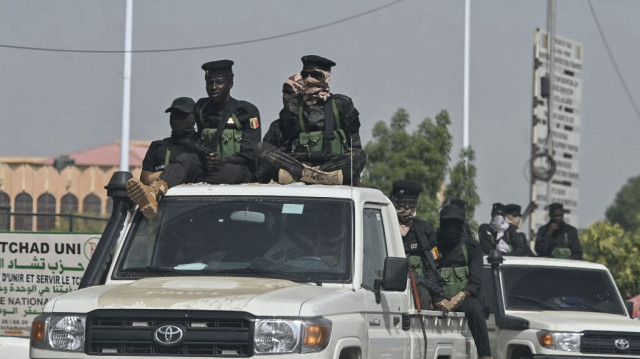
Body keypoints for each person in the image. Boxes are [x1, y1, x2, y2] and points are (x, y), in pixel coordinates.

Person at [255, 55, 367, 185]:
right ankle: (316, 177)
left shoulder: (342, 104)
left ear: (326, 77)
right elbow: (284, 145)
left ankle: (307, 176)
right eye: (305, 75)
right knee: (261, 149)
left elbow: (355, 145)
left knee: (359, 156)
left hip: (331, 164)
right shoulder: (293, 106)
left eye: (315, 75)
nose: (309, 79)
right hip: (298, 165)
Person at [436, 204, 492, 359]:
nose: (451, 229)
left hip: (462, 298)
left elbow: (475, 283)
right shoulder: (433, 244)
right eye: (447, 225)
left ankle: (485, 355)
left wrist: (458, 298)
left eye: (455, 225)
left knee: (475, 309)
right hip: (437, 297)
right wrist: (437, 298)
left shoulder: (471, 247)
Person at [194, 59, 261, 179]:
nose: (214, 87)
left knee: (229, 172)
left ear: (230, 83)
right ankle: (155, 189)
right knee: (185, 160)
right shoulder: (201, 109)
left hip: (238, 168)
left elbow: (250, 154)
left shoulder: (246, 111)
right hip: (209, 166)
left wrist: (223, 160)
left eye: (219, 82)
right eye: (210, 83)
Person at [390, 180, 450, 311]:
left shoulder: (424, 230)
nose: (406, 208)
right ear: (394, 201)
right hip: (389, 282)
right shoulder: (385, 225)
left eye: (411, 204)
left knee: (423, 296)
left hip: (418, 285)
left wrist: (435, 293)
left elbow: (431, 266)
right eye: (402, 203)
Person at [139, 97, 198, 185]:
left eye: (182, 114)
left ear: (194, 117)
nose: (176, 118)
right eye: (173, 114)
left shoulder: (202, 144)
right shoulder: (158, 147)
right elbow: (145, 181)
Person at [256, 73, 303, 183]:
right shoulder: (277, 126)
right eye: (283, 92)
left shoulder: (318, 123)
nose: (284, 96)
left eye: (289, 92)